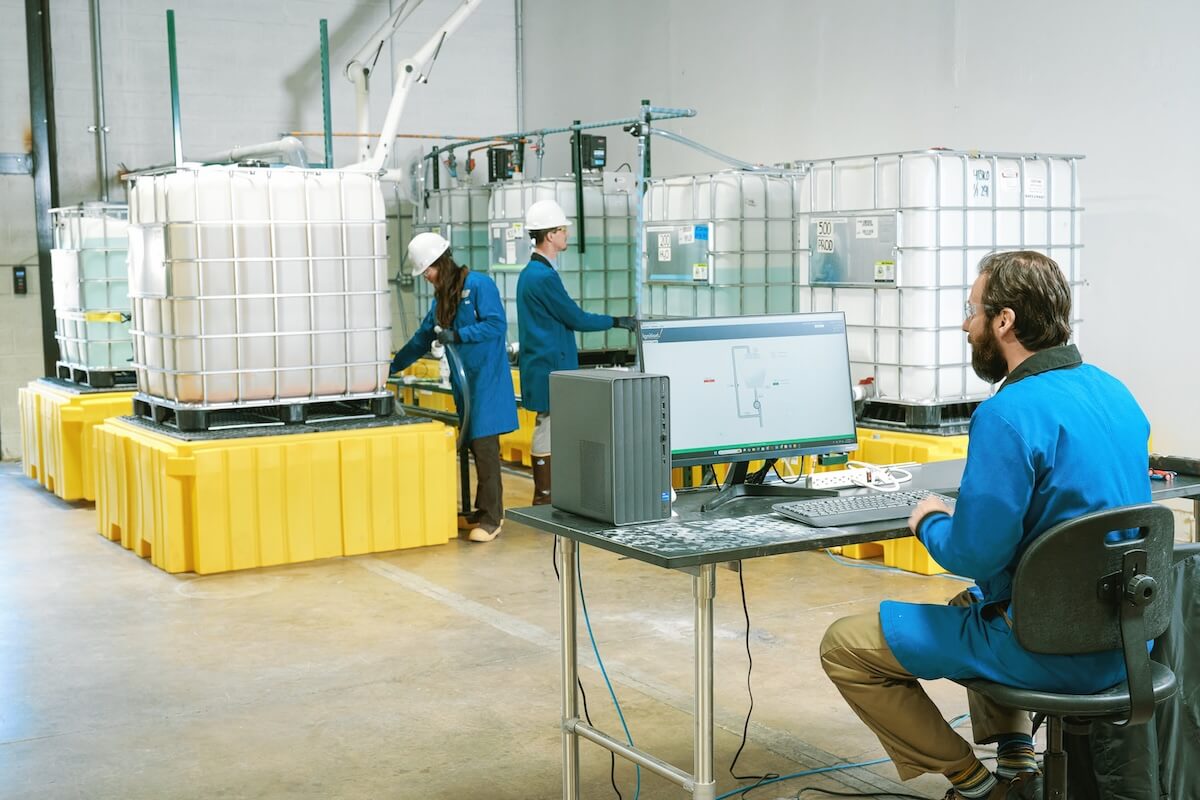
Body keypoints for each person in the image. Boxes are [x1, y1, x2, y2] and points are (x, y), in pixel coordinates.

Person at [819, 251, 1151, 800]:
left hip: (1048, 648)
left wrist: (929, 520)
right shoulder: (1114, 390)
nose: (964, 323)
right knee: (973, 603)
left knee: (843, 646)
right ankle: (1018, 762)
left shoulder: (1007, 413)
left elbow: (974, 553)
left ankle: (977, 786)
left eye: (971, 310)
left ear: (1004, 321)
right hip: (1126, 641)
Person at [390, 232, 517, 543]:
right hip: (465, 384)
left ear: (441, 263)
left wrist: (458, 336)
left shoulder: (479, 285)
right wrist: (389, 367)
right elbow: (421, 339)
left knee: (486, 448)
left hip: (487, 380)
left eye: (428, 271)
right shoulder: (441, 300)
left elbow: (496, 325)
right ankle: (479, 509)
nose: (427, 278)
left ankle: (492, 518)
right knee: (472, 446)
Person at [515, 199, 637, 505]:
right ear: (550, 235)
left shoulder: (533, 273)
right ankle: (544, 496)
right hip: (548, 365)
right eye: (562, 230)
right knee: (549, 424)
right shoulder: (541, 277)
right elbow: (576, 318)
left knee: (553, 425)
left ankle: (552, 492)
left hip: (546, 362)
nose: (567, 235)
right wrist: (618, 322)